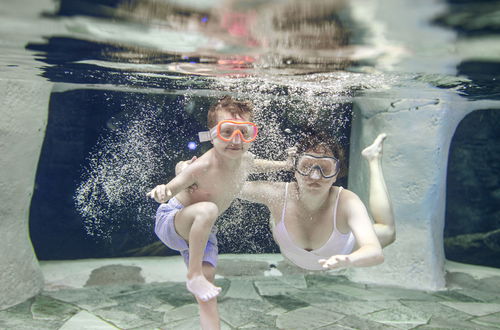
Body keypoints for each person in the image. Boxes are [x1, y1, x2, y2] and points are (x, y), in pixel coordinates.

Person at [146, 96, 291, 330]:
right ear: (213, 134)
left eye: (245, 132)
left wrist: (284, 165)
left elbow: (259, 164)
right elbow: (171, 188)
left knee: (208, 297)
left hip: (202, 234)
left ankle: (202, 293)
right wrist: (163, 190)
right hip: (173, 220)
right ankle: (193, 275)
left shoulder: (246, 159)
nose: (236, 140)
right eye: (227, 131)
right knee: (208, 209)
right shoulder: (202, 166)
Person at [238, 132, 395, 270]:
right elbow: (229, 184)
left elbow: (375, 252)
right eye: (306, 166)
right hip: (291, 252)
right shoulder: (277, 194)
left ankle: (373, 159)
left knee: (387, 231)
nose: (314, 176)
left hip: (342, 249)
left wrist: (349, 259)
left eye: (325, 169)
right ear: (295, 170)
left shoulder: (346, 201)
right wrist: (282, 165)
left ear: (336, 175)